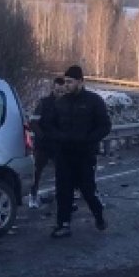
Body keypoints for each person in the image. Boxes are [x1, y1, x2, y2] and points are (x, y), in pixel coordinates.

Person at [41, 64, 111, 237]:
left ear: (80, 81)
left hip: (85, 154)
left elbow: (105, 126)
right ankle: (63, 224)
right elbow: (48, 125)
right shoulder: (60, 103)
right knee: (63, 190)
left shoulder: (93, 101)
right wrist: (58, 137)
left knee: (87, 190)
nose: (67, 85)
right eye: (66, 82)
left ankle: (99, 216)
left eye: (71, 82)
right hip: (64, 155)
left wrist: (89, 139)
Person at [28, 77, 66, 208]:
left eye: (62, 91)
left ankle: (61, 197)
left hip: (59, 145)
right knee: (37, 172)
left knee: (62, 172)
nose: (60, 94)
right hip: (43, 145)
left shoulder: (66, 104)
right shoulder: (44, 103)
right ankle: (33, 196)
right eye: (57, 91)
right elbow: (33, 122)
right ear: (53, 89)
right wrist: (42, 136)